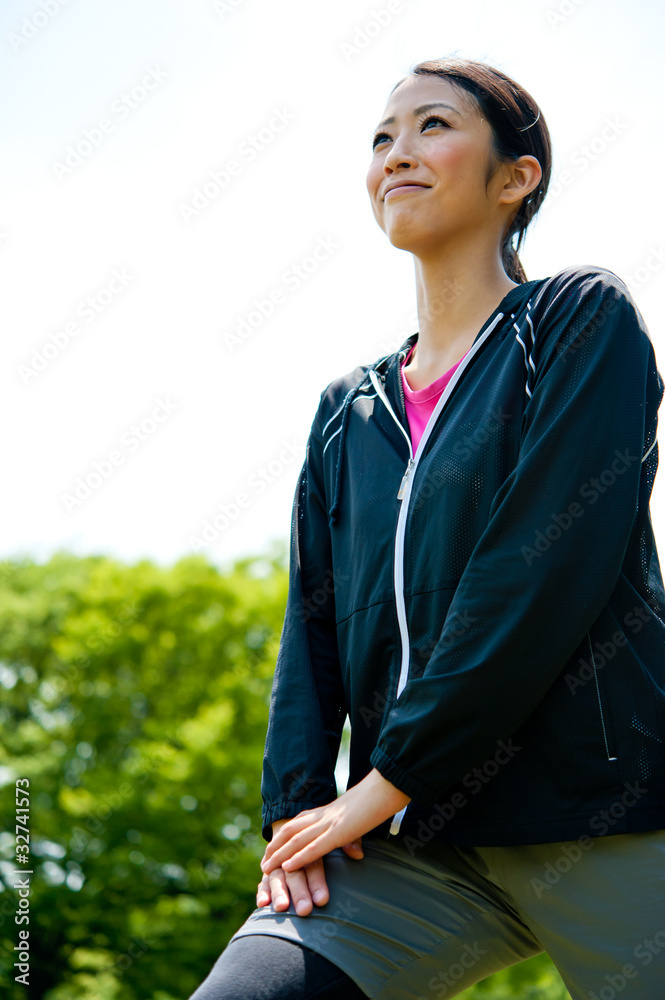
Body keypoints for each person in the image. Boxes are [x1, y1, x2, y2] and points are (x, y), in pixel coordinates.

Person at [187, 56, 665, 1000]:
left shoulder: (577, 320)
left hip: (603, 813)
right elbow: (310, 630)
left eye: (432, 126)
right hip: (411, 841)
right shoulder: (345, 412)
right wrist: (297, 816)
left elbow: (536, 574)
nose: (396, 152)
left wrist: (389, 778)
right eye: (380, 138)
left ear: (514, 178)